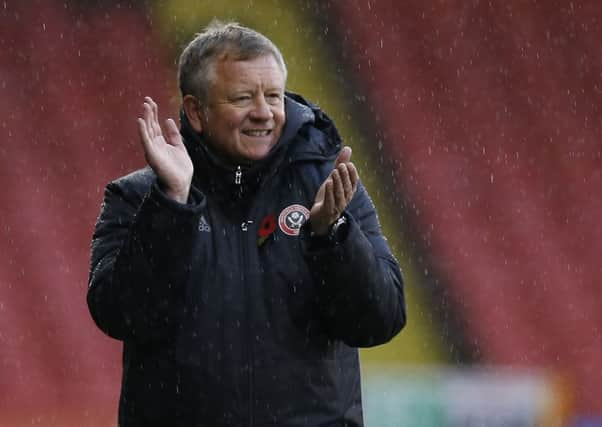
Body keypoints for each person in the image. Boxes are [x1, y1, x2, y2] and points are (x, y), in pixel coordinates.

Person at [87, 20, 406, 427]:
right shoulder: (138, 198)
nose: (263, 112)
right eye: (242, 97)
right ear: (195, 111)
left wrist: (332, 237)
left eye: (273, 96)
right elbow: (123, 315)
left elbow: (379, 321)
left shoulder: (327, 188)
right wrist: (172, 205)